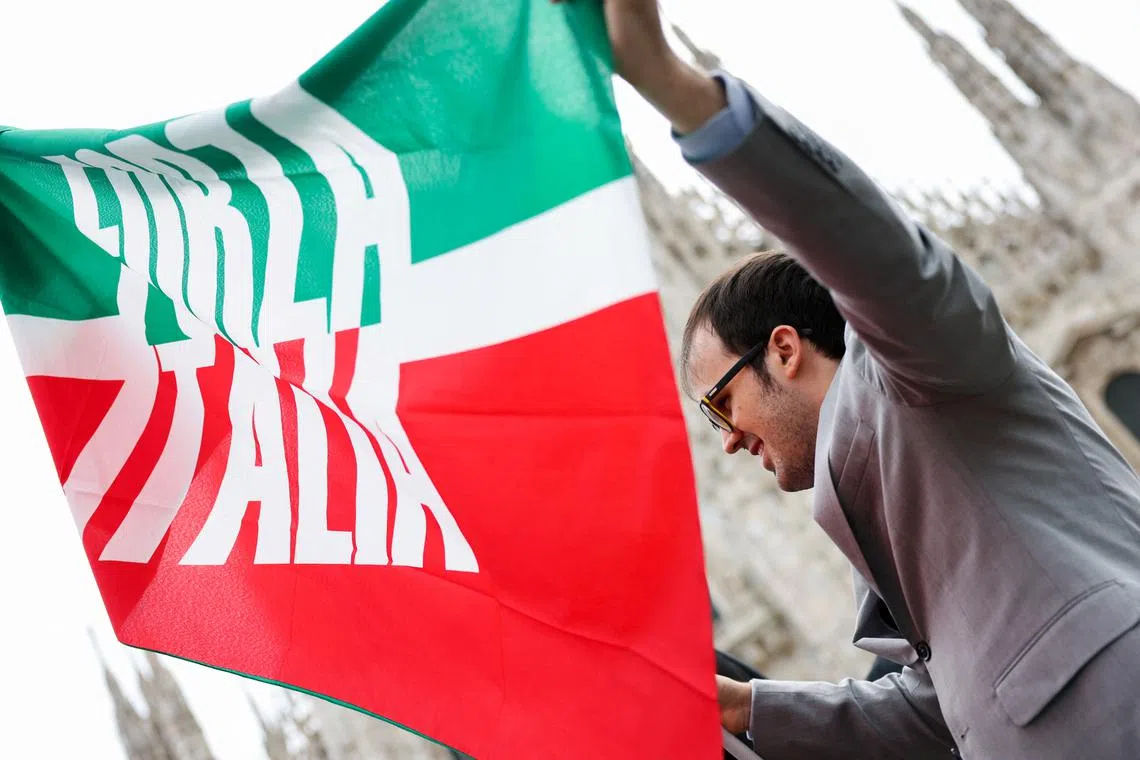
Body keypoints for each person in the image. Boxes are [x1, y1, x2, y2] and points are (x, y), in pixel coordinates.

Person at [596, 1, 1140, 757]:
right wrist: (745, 703)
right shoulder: (868, 500)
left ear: (785, 349)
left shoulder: (922, 367)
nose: (725, 443)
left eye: (721, 407)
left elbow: (877, 255)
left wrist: (672, 86)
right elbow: (938, 708)